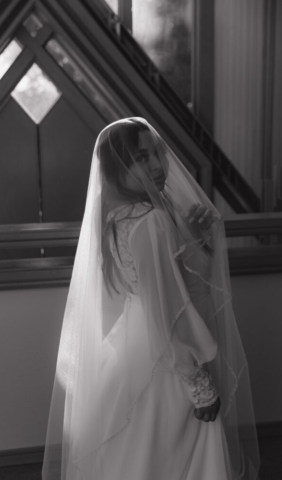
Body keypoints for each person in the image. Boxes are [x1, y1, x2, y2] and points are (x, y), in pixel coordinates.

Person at [42, 118, 260, 480]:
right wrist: (199, 386)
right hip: (165, 358)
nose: (158, 166)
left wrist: (197, 239)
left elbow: (166, 290)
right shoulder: (153, 221)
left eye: (158, 153)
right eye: (142, 158)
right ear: (117, 169)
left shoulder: (117, 218)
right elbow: (169, 311)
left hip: (133, 348)